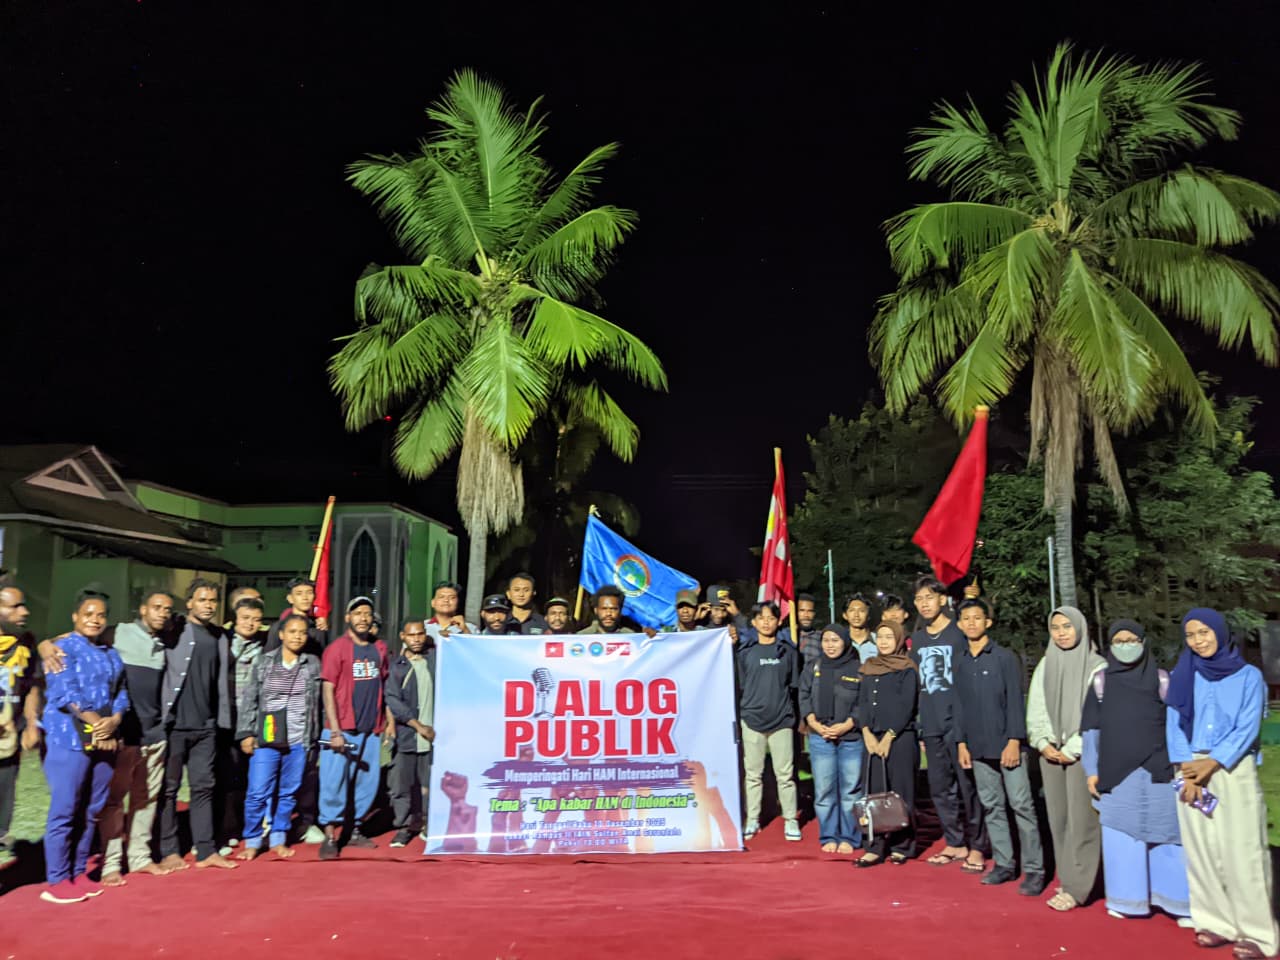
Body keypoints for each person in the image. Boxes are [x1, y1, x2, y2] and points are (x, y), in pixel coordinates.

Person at [1166, 608, 1277, 958]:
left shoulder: (1248, 676)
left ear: (1220, 632)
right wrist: (1187, 769)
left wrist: (1212, 763)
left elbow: (1248, 727)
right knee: (1201, 849)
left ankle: (1258, 935)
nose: (1198, 641)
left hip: (1231, 768)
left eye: (1204, 632)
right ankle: (1215, 921)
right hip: (1189, 768)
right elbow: (1173, 722)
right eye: (1191, 635)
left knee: (1244, 850)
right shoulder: (1183, 674)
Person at [1080, 620, 1190, 925]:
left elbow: (1177, 725)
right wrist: (1091, 769)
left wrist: (1181, 763)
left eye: (1131, 639)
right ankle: (1126, 900)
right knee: (1121, 835)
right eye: (1119, 641)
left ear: (1143, 642)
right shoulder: (1101, 682)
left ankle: (1176, 902)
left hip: (1158, 770)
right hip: (1116, 773)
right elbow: (1090, 728)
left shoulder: (1162, 679)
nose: (1126, 646)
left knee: (1168, 836)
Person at [40, 589, 128, 904]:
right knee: (65, 809)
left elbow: (121, 691)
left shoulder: (110, 653)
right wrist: (97, 723)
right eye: (88, 614)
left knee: (92, 809)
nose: (95, 619)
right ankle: (57, 879)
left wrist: (115, 720)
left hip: (104, 739)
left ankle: (78, 873)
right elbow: (65, 692)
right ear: (75, 616)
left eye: (101, 615)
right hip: (69, 738)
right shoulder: (62, 649)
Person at [954, 598, 1045, 895]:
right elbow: (958, 705)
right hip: (977, 747)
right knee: (992, 806)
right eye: (966, 618)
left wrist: (1014, 740)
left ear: (988, 622)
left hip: (1007, 745)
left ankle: (1034, 869)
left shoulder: (1004, 657)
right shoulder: (960, 661)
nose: (972, 623)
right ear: (959, 624)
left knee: (1021, 806)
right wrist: (961, 742)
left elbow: (1016, 701)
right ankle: (1005, 864)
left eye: (977, 618)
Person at [1027, 606, 1106, 911]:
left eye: (1067, 627)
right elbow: (1036, 706)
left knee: (1082, 820)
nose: (1061, 633)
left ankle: (1078, 887)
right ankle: (1067, 876)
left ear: (1080, 629)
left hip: (1081, 754)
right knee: (1058, 818)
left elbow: (1096, 714)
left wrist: (1073, 747)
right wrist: (1042, 741)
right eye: (1056, 627)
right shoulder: (1046, 663)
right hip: (1050, 752)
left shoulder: (1097, 666)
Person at [158, 578, 237, 871]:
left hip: (205, 727)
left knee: (203, 787)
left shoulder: (219, 636)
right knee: (169, 790)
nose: (208, 605)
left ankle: (205, 850)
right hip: (174, 726)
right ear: (189, 602)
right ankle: (169, 850)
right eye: (202, 600)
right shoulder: (173, 628)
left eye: (213, 601)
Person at [97, 591, 175, 885]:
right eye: (156, 607)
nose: (162, 613)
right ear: (143, 609)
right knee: (114, 801)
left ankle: (140, 857)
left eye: (167, 609)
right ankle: (111, 864)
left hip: (154, 734)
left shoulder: (165, 642)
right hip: (124, 735)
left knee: (146, 800)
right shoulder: (119, 632)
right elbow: (78, 637)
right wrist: (45, 646)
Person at [911, 576, 986, 872]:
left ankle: (978, 845)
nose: (925, 604)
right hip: (931, 725)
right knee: (940, 787)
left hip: (959, 724)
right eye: (919, 599)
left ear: (943, 600)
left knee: (968, 787)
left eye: (930, 597)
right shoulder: (917, 639)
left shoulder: (958, 632)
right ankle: (955, 842)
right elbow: (917, 684)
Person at [234, 613, 322, 861]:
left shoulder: (313, 663)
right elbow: (250, 699)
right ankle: (253, 839)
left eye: (302, 633)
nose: (298, 637)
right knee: (257, 792)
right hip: (267, 738)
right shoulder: (264, 662)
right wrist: (246, 734)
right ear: (281, 634)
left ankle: (278, 838)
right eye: (292, 631)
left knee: (288, 793)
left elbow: (319, 704)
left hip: (299, 739)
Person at [318, 596, 390, 859]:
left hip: (370, 729)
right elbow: (328, 689)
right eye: (357, 613)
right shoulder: (337, 649)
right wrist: (335, 730)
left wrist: (388, 721)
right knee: (333, 782)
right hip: (342, 729)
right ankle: (330, 834)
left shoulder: (379, 648)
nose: (363, 618)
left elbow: (384, 685)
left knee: (366, 783)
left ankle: (355, 829)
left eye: (367, 613)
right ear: (348, 617)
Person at [853, 621, 920, 866]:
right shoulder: (869, 667)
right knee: (874, 792)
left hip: (899, 739)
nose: (883, 641)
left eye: (889, 637)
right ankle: (874, 845)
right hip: (872, 739)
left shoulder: (907, 669)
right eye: (880, 637)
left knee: (901, 793)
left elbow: (907, 705)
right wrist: (867, 733)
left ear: (899, 640)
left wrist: (889, 736)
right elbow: (861, 703)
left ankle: (902, 845)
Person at [737, 601, 801, 842]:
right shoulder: (745, 652)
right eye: (761, 618)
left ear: (778, 621)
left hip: (781, 720)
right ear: (753, 622)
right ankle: (752, 819)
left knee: (785, 775)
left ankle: (791, 820)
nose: (766, 622)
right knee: (753, 775)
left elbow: (793, 685)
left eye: (771, 618)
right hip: (751, 719)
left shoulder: (788, 651)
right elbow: (741, 684)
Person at [798, 624, 863, 853]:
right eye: (826, 640)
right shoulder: (813, 666)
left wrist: (847, 725)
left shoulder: (857, 668)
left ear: (845, 642)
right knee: (824, 790)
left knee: (850, 790)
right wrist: (813, 723)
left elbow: (863, 702)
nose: (830, 645)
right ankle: (829, 836)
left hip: (851, 738)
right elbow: (803, 695)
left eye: (835, 640)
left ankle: (850, 837)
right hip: (820, 736)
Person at [218, 595, 268, 854]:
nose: (250, 624)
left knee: (252, 778)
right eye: (245, 618)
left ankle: (251, 827)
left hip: (254, 720)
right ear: (235, 619)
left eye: (256, 620)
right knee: (227, 775)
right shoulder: (222, 641)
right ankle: (227, 829)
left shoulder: (265, 644)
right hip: (226, 718)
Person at [385, 619, 435, 848]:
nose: (416, 639)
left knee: (429, 785)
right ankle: (404, 827)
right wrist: (418, 726)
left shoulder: (434, 662)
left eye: (420, 634)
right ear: (403, 636)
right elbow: (393, 700)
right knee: (401, 785)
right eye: (411, 635)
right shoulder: (397, 667)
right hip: (407, 736)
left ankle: (428, 823)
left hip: (434, 737)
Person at [0, 581, 41, 856]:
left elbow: (32, 686)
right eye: (15, 606)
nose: (24, 612)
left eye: (23, 605)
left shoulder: (26, 644)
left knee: (5, 787)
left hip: (9, 734)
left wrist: (31, 723)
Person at [265, 577, 328, 655]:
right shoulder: (278, 627)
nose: (305, 598)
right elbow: (268, 656)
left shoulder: (318, 627)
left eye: (309, 593)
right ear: (290, 598)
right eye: (299, 593)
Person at [425, 581, 475, 645]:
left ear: (458, 603)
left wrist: (465, 630)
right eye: (441, 597)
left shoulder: (470, 628)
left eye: (452, 597)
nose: (446, 600)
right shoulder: (422, 627)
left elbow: (477, 649)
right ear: (433, 603)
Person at [843, 594, 876, 662]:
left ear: (868, 615)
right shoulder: (840, 641)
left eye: (861, 611)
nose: (856, 615)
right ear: (845, 615)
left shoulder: (879, 641)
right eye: (852, 610)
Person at [794, 594, 823, 663]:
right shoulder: (787, 636)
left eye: (810, 611)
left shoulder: (821, 637)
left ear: (814, 613)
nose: (806, 615)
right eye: (802, 610)